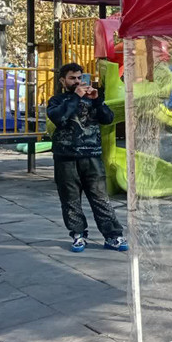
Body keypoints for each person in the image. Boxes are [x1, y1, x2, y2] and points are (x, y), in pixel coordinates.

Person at [47, 63, 127, 253]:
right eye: (72, 78)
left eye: (79, 78)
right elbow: (59, 118)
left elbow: (108, 119)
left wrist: (98, 101)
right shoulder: (56, 100)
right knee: (70, 199)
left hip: (91, 156)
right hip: (65, 157)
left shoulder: (92, 98)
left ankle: (113, 235)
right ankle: (78, 234)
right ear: (63, 81)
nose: (77, 81)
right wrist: (76, 97)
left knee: (100, 198)